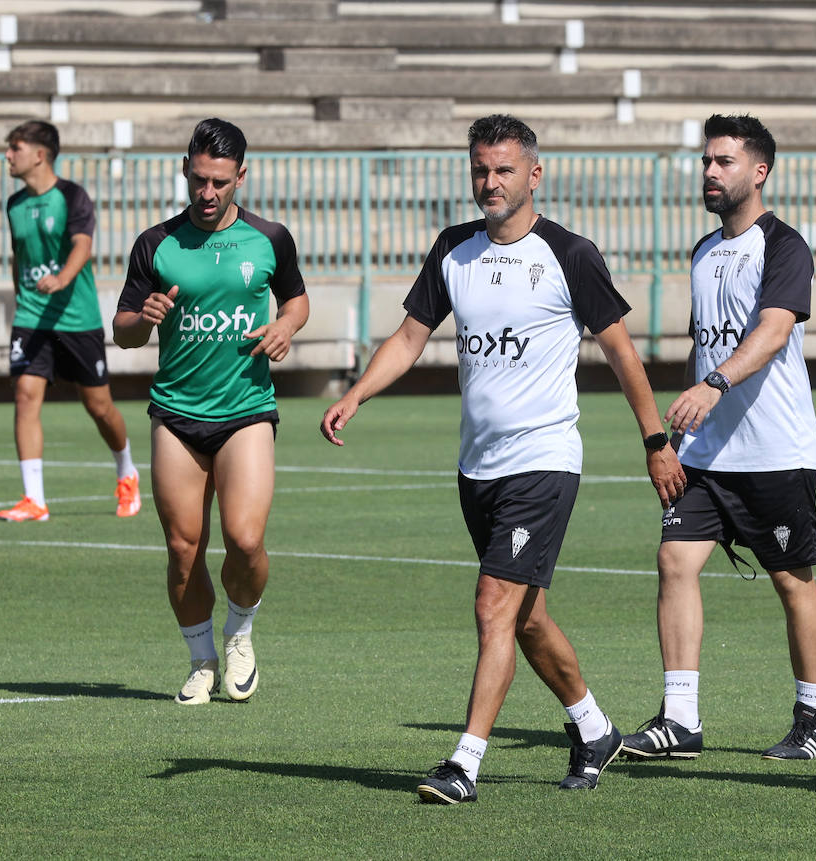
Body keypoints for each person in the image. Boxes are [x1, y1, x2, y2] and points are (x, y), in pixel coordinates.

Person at [320, 114, 684, 804]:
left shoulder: (570, 254)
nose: (491, 182)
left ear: (534, 174)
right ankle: (594, 726)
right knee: (526, 615)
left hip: (544, 462)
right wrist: (357, 393)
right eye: (482, 169)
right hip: (476, 468)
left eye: (505, 170)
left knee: (492, 605)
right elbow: (407, 336)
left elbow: (621, 350)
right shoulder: (453, 249)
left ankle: (464, 761)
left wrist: (654, 440)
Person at [619, 115, 816, 766]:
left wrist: (712, 383)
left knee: (792, 582)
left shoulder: (785, 246)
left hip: (775, 450)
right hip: (707, 455)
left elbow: (770, 332)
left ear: (758, 171)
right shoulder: (702, 251)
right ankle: (680, 718)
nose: (710, 172)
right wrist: (675, 437)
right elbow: (701, 340)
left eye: (724, 162)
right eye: (706, 161)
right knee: (674, 561)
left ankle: (813, 719)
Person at [113, 118, 309, 706]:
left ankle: (240, 633)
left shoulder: (270, 238)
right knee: (182, 548)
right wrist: (140, 318)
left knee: (245, 540)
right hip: (175, 413)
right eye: (198, 179)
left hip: (246, 410)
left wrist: (285, 326)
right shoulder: (156, 243)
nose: (207, 193)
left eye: (219, 182)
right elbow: (122, 333)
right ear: (185, 170)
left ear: (240, 177)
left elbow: (296, 299)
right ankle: (200, 660)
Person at [0, 120, 139, 523]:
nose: (8, 155)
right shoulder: (14, 204)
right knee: (25, 395)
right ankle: (34, 499)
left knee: (98, 405)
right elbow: (19, 256)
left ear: (39, 154)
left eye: (15, 147)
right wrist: (21, 299)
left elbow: (83, 245)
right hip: (31, 317)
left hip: (76, 318)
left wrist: (61, 278)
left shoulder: (73, 197)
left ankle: (126, 472)